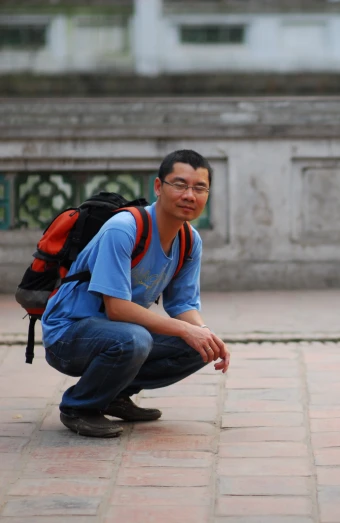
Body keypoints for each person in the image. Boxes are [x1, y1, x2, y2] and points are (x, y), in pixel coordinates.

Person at [41, 149, 230, 438]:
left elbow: (182, 304)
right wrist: (186, 330)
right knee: (135, 338)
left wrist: (204, 333)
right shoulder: (124, 229)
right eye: (179, 185)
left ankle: (113, 396)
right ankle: (79, 407)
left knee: (199, 346)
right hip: (68, 334)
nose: (189, 195)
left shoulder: (189, 240)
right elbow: (117, 308)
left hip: (116, 332)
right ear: (158, 187)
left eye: (199, 188)